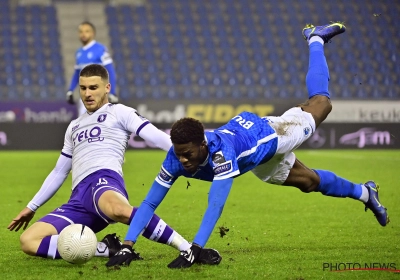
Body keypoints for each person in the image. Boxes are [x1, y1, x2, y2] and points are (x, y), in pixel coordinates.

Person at [107, 22, 390, 269]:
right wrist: (128, 244)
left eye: (188, 154)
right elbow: (150, 201)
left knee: (322, 103)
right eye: (179, 154)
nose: (182, 160)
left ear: (203, 145)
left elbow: (215, 204)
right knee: (309, 182)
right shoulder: (175, 156)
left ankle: (315, 39)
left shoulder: (222, 155)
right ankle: (366, 192)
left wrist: (194, 247)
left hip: (271, 135)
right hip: (255, 160)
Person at [8, 64, 221, 266]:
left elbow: (155, 136)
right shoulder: (74, 126)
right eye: (82, 88)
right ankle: (105, 248)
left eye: (93, 87)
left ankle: (188, 249)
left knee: (119, 209)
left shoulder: (120, 112)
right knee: (28, 241)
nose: (87, 94)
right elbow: (59, 171)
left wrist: (189, 156)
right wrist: (31, 207)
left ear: (107, 87)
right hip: (78, 198)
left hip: (103, 181)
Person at [66, 21, 119, 116]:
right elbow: (77, 74)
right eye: (81, 31)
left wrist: (113, 92)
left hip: (100, 94)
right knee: (83, 122)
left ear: (93, 33)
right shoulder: (79, 52)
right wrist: (70, 90)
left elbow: (110, 71)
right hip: (86, 95)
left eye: (87, 31)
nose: (83, 34)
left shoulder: (100, 49)